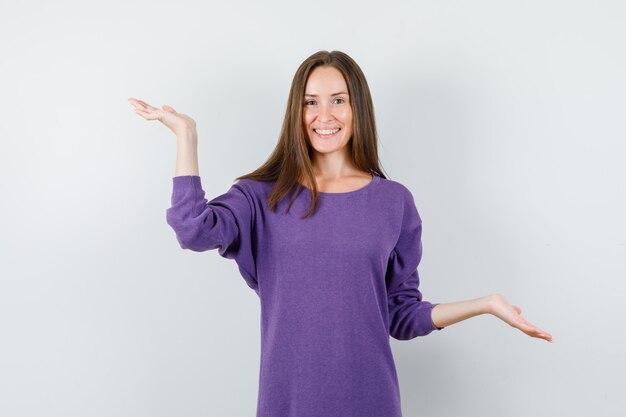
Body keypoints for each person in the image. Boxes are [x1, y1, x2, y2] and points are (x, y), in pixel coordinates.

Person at [128, 50, 553, 417]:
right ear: (297, 111)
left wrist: (486, 304)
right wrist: (187, 136)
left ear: (358, 109)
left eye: (338, 100)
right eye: (311, 102)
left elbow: (401, 316)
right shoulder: (261, 197)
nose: (324, 115)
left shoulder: (394, 202)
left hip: (371, 399)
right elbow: (191, 229)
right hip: (289, 400)